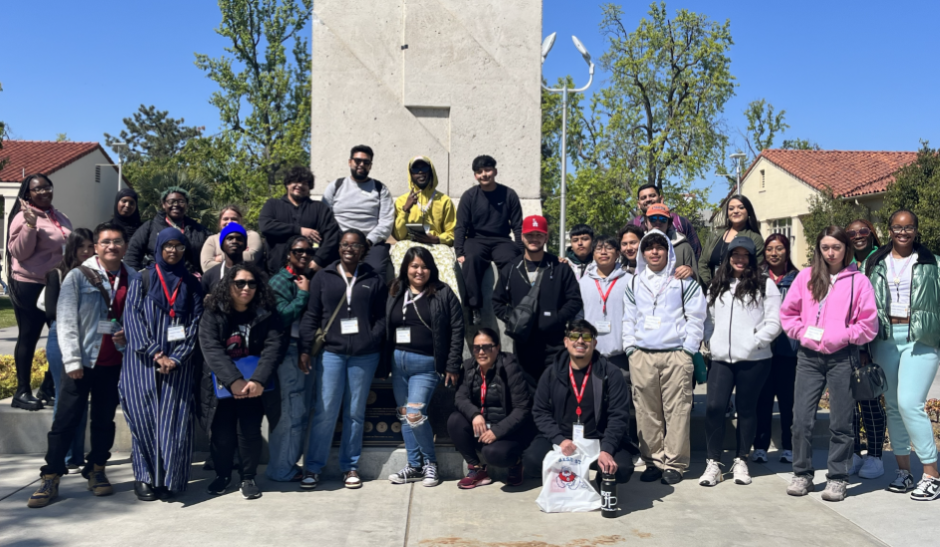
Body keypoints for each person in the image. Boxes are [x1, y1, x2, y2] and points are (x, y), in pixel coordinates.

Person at [27, 222, 137, 508]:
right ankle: (51, 475)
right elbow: (64, 320)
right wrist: (72, 359)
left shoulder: (134, 277)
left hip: (114, 362)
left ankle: (97, 469)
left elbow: (138, 317)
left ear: (125, 246)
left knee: (103, 420)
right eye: (106, 242)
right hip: (82, 362)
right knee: (65, 420)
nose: (112, 246)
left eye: (117, 242)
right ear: (97, 247)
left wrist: (130, 333)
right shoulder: (78, 276)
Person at [780, 226, 878, 502]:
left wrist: (842, 336)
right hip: (809, 358)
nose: (831, 252)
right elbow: (789, 314)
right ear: (819, 250)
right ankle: (802, 472)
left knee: (841, 422)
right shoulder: (806, 277)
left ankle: (837, 478)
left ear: (846, 248)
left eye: (836, 247)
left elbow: (869, 324)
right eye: (826, 247)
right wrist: (802, 334)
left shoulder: (858, 282)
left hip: (842, 357)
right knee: (801, 419)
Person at [298, 229, 388, 490]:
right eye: (345, 244)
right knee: (325, 411)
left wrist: (372, 338)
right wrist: (305, 348)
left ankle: (350, 466)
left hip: (364, 355)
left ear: (364, 249)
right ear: (338, 248)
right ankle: (313, 467)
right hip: (332, 353)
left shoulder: (373, 278)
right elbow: (312, 315)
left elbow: (382, 317)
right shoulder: (323, 277)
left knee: (355, 413)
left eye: (356, 245)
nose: (350, 248)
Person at [121, 228, 205, 501]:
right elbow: (132, 320)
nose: (172, 251)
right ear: (158, 248)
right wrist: (157, 354)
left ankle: (170, 478)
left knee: (174, 421)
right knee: (143, 420)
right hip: (141, 364)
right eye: (167, 246)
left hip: (177, 367)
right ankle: (144, 477)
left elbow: (195, 325)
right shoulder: (142, 279)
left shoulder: (191, 283)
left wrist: (177, 358)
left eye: (178, 246)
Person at [865, 210, 940, 500]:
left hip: (920, 339)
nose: (903, 232)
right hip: (884, 338)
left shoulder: (932, 263)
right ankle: (904, 473)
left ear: (916, 230)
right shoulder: (875, 263)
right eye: (898, 227)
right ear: (889, 229)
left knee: (911, 403)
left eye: (909, 227)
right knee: (894, 406)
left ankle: (932, 475)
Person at [622, 229, 706, 485]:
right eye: (649, 247)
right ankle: (653, 461)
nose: (654, 251)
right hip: (642, 356)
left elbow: (697, 316)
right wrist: (631, 349)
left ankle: (675, 463)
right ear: (642, 252)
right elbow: (628, 318)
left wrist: (688, 349)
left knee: (677, 410)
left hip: (675, 356)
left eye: (660, 247)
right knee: (646, 411)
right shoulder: (634, 282)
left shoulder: (683, 281)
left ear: (668, 250)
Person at [199, 264, 288, 500]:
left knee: (249, 432)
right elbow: (210, 348)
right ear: (229, 285)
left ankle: (248, 477)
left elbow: (274, 347)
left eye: (251, 283)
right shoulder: (213, 311)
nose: (246, 288)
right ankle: (222, 476)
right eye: (240, 283)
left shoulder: (267, 312)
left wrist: (258, 380)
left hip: (254, 386)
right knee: (221, 434)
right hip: (222, 385)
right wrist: (233, 381)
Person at [699, 237, 782, 487]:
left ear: (752, 258)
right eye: (735, 254)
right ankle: (713, 463)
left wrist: (754, 342)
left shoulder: (765, 285)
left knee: (747, 409)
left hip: (754, 359)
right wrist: (709, 341)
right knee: (714, 407)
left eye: (745, 255)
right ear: (728, 257)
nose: (739, 259)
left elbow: (775, 322)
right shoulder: (717, 285)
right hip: (722, 358)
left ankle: (741, 459)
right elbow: (708, 318)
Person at [385, 246, 464, 487]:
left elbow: (457, 328)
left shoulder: (442, 292)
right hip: (398, 363)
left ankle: (430, 464)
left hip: (426, 365)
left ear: (431, 269)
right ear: (406, 268)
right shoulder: (396, 290)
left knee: (415, 415)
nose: (419, 271)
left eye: (424, 266)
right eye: (414, 266)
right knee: (404, 416)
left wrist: (452, 364)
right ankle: (414, 466)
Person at [523, 320, 632, 483]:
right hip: (564, 439)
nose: (580, 341)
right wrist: (559, 439)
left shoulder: (611, 373)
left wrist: (607, 449)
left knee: (621, 469)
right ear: (566, 342)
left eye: (586, 337)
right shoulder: (552, 373)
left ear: (594, 343)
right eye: (574, 336)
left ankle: (602, 478)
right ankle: (565, 476)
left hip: (599, 440)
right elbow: (540, 411)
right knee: (532, 460)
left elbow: (618, 415)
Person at [6, 173, 72, 411]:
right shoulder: (22, 218)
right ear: (28, 194)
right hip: (30, 284)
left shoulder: (60, 216)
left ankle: (47, 387)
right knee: (29, 337)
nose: (44, 192)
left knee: (60, 336)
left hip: (56, 284)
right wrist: (31, 224)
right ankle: (21, 392)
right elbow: (20, 254)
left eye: (47, 187)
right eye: (37, 189)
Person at [493, 215, 582, 380]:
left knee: (555, 393)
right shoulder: (511, 268)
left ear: (546, 237)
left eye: (539, 235)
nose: (534, 239)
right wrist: (513, 319)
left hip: (554, 344)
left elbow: (574, 300)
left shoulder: (560, 267)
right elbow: (497, 301)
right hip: (523, 344)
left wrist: (556, 319)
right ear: (522, 236)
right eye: (530, 235)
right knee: (527, 395)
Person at [577, 234, 640, 457]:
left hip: (620, 353)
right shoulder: (584, 282)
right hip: (592, 355)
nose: (603, 252)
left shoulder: (629, 280)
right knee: (593, 402)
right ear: (592, 254)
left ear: (617, 253)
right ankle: (597, 444)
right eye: (599, 248)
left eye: (609, 248)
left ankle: (626, 443)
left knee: (623, 404)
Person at [448, 328, 535, 489]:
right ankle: (477, 469)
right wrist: (475, 415)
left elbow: (522, 408)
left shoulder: (510, 367)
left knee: (493, 454)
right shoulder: (468, 367)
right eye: (477, 348)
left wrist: (497, 431)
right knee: (455, 420)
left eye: (486, 347)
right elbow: (460, 398)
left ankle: (515, 463)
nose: (481, 352)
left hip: (508, 432)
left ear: (497, 347)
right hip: (483, 428)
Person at [43, 229, 95, 470]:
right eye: (81, 246)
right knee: (64, 398)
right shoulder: (57, 274)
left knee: (82, 400)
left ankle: (76, 455)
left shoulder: (98, 274)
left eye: (89, 246)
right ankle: (61, 456)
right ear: (72, 248)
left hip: (88, 337)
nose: (86, 251)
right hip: (60, 337)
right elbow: (53, 311)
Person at [265, 235, 314, 482]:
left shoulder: (305, 278)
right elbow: (280, 317)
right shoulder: (279, 281)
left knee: (299, 411)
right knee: (290, 412)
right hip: (288, 354)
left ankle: (288, 464)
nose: (304, 255)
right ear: (288, 254)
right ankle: (280, 468)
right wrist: (303, 295)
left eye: (308, 251)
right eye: (298, 251)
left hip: (302, 350)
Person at [454, 155, 524, 324]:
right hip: (476, 240)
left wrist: (522, 251)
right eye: (479, 172)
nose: (484, 174)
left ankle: (511, 304)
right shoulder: (469, 196)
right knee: (471, 261)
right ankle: (474, 307)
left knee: (512, 261)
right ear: (475, 176)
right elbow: (460, 226)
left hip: (501, 240)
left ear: (495, 171)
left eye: (487, 170)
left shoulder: (509, 194)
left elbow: (518, 226)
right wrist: (459, 251)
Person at [843, 218, 887, 479]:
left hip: (872, 338)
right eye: (852, 233)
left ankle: (876, 456)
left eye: (863, 231)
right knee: (849, 401)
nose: (858, 235)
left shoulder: (881, 259)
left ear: (871, 233)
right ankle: (856, 453)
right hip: (846, 339)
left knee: (870, 399)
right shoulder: (844, 263)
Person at [753, 233, 800, 465]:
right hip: (763, 349)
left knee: (787, 401)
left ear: (787, 250)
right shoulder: (757, 278)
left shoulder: (798, 278)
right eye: (770, 249)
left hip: (789, 349)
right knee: (762, 400)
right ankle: (760, 446)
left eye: (779, 248)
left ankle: (788, 446)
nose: (774, 253)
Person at [390, 156, 461, 298]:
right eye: (416, 169)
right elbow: (398, 235)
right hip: (409, 244)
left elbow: (453, 233)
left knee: (447, 273)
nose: (421, 172)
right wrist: (406, 209)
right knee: (401, 266)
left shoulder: (444, 201)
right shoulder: (402, 201)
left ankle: (450, 308)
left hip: (436, 245)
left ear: (431, 172)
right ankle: (404, 305)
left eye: (425, 168)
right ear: (411, 174)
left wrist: (436, 239)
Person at [322, 145, 395, 275]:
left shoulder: (380, 189)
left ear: (370, 165)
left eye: (366, 162)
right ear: (350, 162)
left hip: (369, 242)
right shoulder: (336, 186)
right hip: (338, 241)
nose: (361, 165)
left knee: (376, 271)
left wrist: (368, 241)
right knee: (325, 268)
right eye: (357, 161)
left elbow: (386, 221)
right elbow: (324, 216)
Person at [258, 165, 341, 276]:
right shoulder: (273, 205)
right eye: (295, 181)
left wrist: (318, 260)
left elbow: (332, 236)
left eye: (305, 183)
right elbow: (266, 226)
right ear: (287, 184)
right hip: (276, 273)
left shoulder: (320, 209)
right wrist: (299, 230)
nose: (300, 185)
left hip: (310, 274)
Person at [125, 186, 209, 273]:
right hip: (156, 280)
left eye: (181, 202)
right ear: (163, 204)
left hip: (189, 280)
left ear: (187, 205)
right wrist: (136, 279)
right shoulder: (150, 226)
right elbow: (132, 256)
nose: (176, 205)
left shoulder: (198, 229)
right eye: (171, 201)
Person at [698, 195, 763, 287]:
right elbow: (703, 262)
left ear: (748, 211)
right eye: (731, 208)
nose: (735, 211)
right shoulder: (715, 235)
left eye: (741, 207)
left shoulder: (754, 238)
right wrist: (710, 285)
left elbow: (756, 268)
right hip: (711, 291)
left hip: (740, 291)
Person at [630, 183, 702, 259]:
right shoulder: (633, 225)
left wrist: (690, 269)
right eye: (643, 197)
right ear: (638, 204)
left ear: (661, 199)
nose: (648, 199)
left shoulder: (680, 222)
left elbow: (697, 254)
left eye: (652, 196)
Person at [201, 205, 265, 273]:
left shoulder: (251, 236)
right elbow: (206, 266)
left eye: (234, 219)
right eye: (225, 219)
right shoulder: (212, 240)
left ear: (241, 221)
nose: (229, 222)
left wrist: (220, 258)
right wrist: (240, 256)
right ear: (220, 222)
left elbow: (251, 258)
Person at [645, 203, 698, 282]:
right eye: (653, 218)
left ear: (669, 223)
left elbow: (696, 281)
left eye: (663, 219)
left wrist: (691, 272)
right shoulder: (639, 246)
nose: (657, 222)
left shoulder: (684, 247)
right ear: (646, 222)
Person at [202, 222, 249, 293]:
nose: (234, 241)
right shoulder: (209, 275)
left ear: (245, 245)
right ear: (222, 245)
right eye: (230, 238)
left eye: (239, 239)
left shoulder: (254, 273)